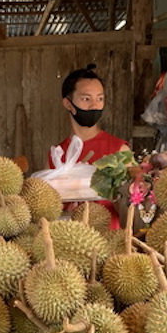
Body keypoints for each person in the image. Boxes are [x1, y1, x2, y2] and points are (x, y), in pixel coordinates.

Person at [50, 65, 131, 228]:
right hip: (67, 242)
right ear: (68, 103)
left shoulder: (120, 150)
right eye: (86, 99)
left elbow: (131, 204)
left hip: (109, 242)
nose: (95, 105)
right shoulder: (56, 155)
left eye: (100, 99)